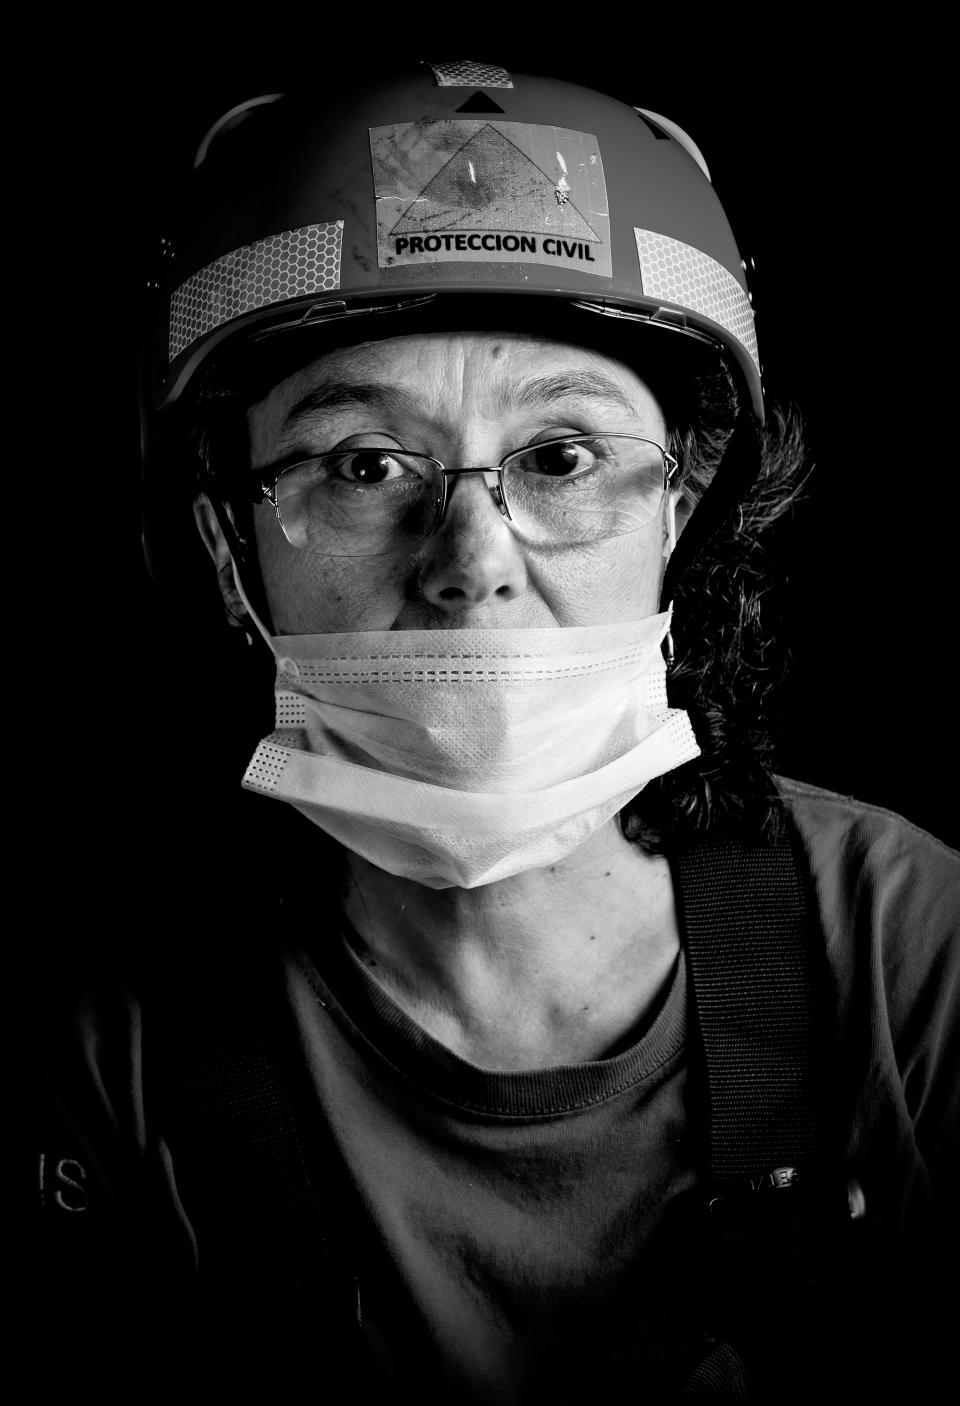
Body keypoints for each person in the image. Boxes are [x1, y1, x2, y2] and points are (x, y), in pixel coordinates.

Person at [40, 62, 957, 1401]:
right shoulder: (109, 1041)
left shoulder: (909, 949)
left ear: (682, 510)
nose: (471, 561)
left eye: (563, 457)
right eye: (364, 463)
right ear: (226, 542)